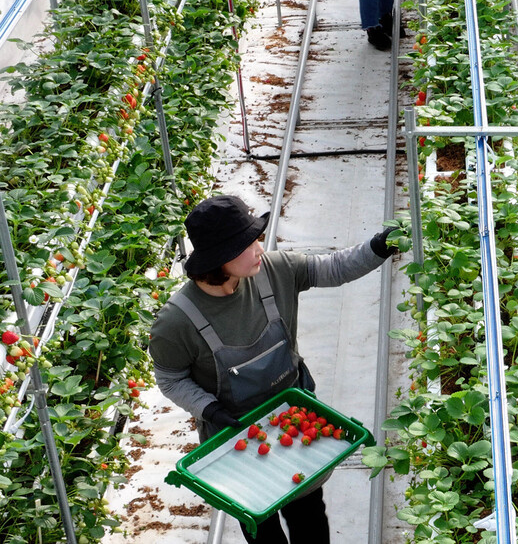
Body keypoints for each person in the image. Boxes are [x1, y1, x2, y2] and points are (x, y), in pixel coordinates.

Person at [149, 195, 401, 543]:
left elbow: (333, 268)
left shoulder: (272, 271)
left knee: (308, 512)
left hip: (294, 422)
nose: (259, 247)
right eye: (247, 243)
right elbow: (171, 378)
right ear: (218, 258)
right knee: (259, 521)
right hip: (236, 436)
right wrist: (210, 410)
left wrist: (378, 247)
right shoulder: (177, 321)